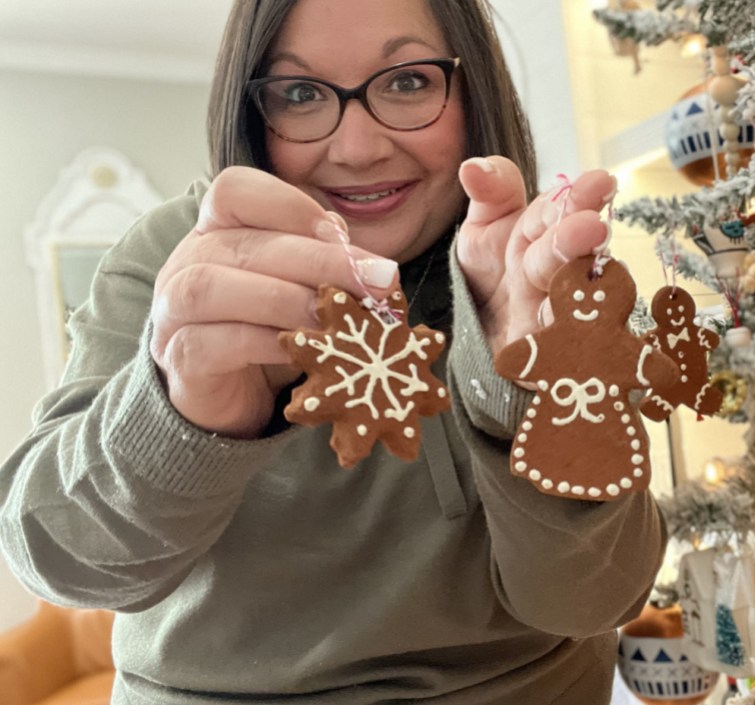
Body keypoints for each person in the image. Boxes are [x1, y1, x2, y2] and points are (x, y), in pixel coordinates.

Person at [0, 1, 667, 703]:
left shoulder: (538, 268)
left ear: (474, 93)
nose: (356, 148)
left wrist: (523, 401)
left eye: (408, 82)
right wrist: (180, 420)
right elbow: (58, 557)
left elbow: (594, 599)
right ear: (252, 111)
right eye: (300, 93)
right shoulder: (175, 263)